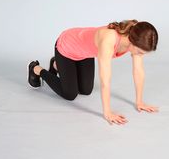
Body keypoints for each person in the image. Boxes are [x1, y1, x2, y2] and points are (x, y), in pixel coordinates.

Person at [27, 19, 159, 125]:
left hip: (84, 53)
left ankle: (57, 66)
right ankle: (37, 69)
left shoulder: (137, 33)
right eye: (141, 52)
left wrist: (139, 102)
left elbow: (138, 71)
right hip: (67, 47)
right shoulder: (109, 40)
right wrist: (107, 112)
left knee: (85, 90)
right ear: (131, 41)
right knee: (70, 94)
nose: (141, 55)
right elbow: (105, 80)